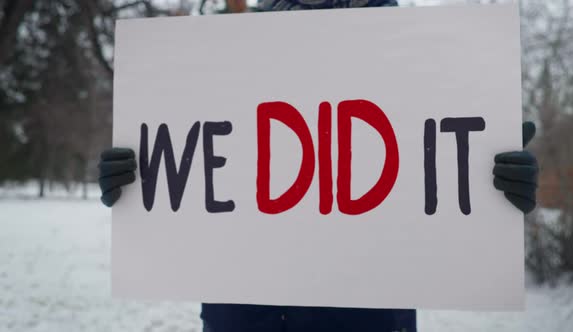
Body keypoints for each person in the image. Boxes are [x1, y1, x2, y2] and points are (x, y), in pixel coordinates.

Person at [98, 1, 539, 331]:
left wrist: (495, 185)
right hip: (244, 315)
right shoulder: (223, 49)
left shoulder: (417, 50)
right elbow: (190, 162)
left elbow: (440, 177)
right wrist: (135, 177)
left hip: (368, 317)